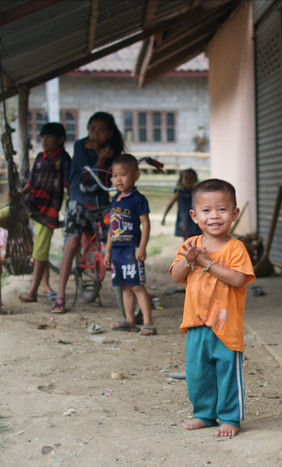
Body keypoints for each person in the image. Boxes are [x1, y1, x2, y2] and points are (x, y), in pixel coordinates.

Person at [169, 179, 255, 437]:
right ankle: (204, 414)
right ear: (194, 215)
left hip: (226, 324)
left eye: (222, 209)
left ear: (235, 214)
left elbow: (238, 279)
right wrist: (189, 259)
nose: (214, 216)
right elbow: (176, 276)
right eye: (206, 210)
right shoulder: (190, 245)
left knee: (227, 373)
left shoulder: (235, 248)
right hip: (196, 322)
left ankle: (229, 417)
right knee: (198, 372)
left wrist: (206, 263)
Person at [52, 112, 124, 313]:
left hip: (101, 203)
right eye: (92, 129)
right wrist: (100, 160)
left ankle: (133, 286)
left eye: (101, 131)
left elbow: (117, 176)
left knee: (117, 238)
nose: (95, 134)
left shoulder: (114, 150)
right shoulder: (80, 146)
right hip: (79, 201)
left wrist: (107, 158)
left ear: (110, 133)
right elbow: (87, 180)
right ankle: (60, 296)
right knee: (72, 243)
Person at [0, 122, 70, 304]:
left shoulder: (64, 159)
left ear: (60, 140)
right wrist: (19, 194)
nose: (44, 141)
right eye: (42, 137)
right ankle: (23, 238)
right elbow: (30, 185)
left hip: (49, 210)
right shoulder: (39, 158)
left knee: (40, 252)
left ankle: (33, 292)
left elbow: (68, 185)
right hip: (29, 203)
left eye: (48, 137)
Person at [103, 155, 156, 336]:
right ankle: (130, 320)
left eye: (123, 175)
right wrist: (107, 250)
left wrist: (142, 247)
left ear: (136, 176)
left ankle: (148, 322)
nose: (118, 179)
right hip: (117, 251)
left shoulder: (137, 199)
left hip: (131, 249)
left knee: (137, 286)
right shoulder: (115, 200)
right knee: (124, 286)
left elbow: (146, 224)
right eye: (115, 175)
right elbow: (112, 227)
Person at [161, 168, 201, 240]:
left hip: (195, 221)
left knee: (197, 240)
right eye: (186, 178)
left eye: (191, 178)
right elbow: (170, 205)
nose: (189, 180)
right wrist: (164, 217)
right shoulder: (179, 193)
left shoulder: (197, 193)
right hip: (184, 221)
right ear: (181, 179)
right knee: (187, 241)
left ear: (195, 180)